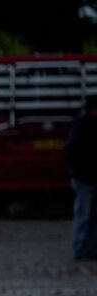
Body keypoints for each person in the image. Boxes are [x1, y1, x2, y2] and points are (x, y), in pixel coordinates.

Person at [64, 95, 97, 260]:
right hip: (87, 177)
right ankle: (86, 248)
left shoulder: (80, 125)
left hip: (83, 177)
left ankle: (83, 248)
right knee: (87, 216)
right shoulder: (84, 126)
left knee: (84, 215)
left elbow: (70, 151)